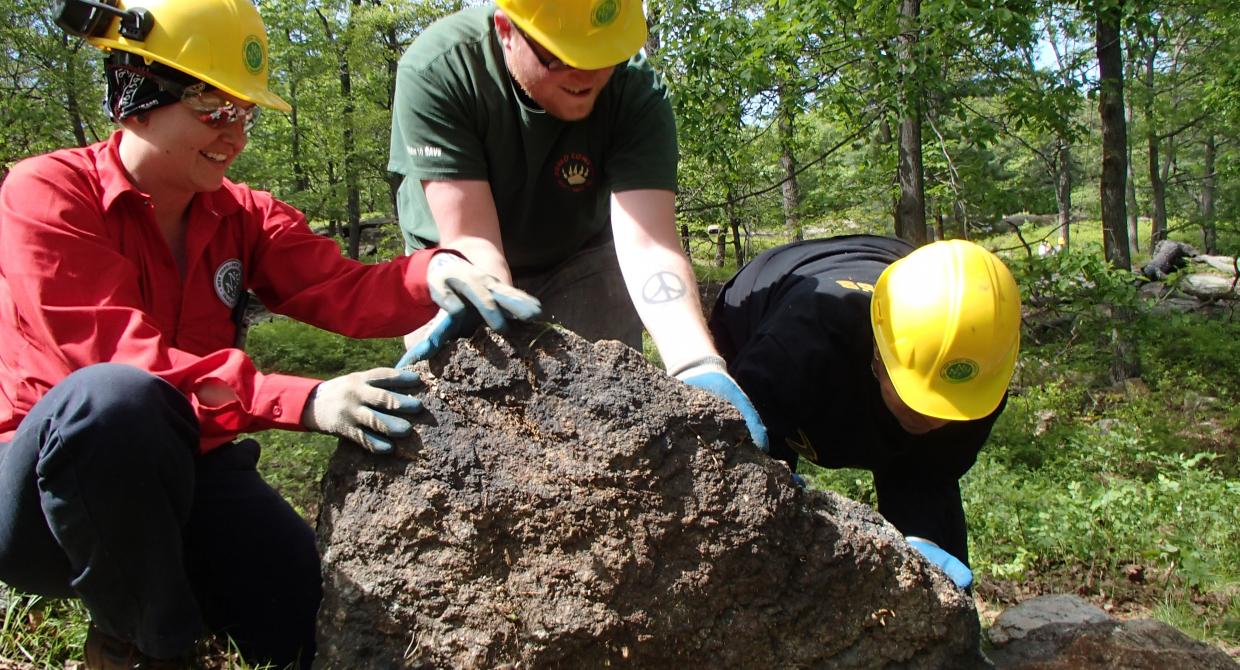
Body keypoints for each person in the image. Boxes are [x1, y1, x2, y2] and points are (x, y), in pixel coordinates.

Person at [0, 0, 539, 668]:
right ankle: (146, 647)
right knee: (114, 400)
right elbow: (118, 360)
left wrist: (435, 272)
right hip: (49, 500)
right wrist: (308, 400)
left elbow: (339, 286)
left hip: (190, 470)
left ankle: (170, 604)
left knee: (304, 616)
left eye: (244, 113)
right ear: (137, 94)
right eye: (214, 111)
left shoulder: (240, 215)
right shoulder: (46, 195)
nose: (236, 136)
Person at [387, 0, 768, 449]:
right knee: (470, 429)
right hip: (458, 263)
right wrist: (482, 302)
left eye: (603, 54)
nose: (587, 75)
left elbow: (649, 246)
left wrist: (696, 364)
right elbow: (472, 240)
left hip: (579, 259)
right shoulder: (441, 71)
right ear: (507, 30)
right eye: (561, 56)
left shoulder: (634, 90)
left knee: (610, 424)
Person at [708, 235, 1022, 590]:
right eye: (914, 397)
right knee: (756, 513)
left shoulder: (978, 378)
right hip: (769, 297)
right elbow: (731, 463)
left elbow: (929, 474)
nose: (935, 419)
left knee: (934, 565)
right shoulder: (797, 349)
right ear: (877, 354)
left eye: (948, 406)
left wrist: (922, 538)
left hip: (888, 274)